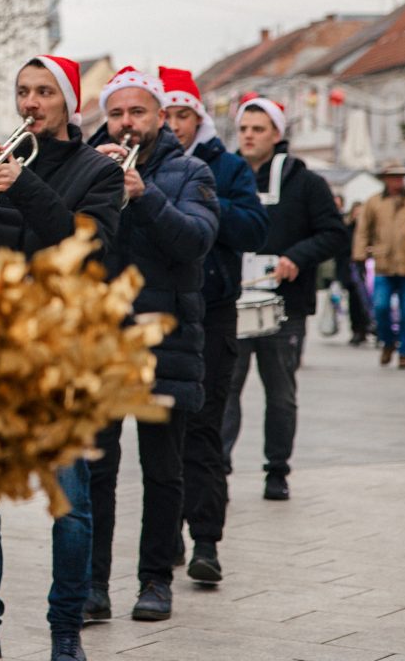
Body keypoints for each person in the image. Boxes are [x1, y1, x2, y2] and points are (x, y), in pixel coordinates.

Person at [0, 54, 122, 661]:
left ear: (69, 102)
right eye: (23, 91)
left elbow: (85, 249)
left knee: (69, 503)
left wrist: (23, 184)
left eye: (44, 92)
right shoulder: (5, 167)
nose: (31, 103)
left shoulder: (100, 171)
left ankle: (65, 631)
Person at [85, 67, 218, 625]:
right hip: (105, 346)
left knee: (163, 471)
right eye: (116, 113)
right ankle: (93, 585)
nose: (126, 123)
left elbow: (196, 241)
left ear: (161, 118)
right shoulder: (89, 166)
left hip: (167, 343)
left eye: (137, 112)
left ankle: (155, 580)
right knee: (98, 472)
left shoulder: (191, 171)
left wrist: (144, 196)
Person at [158, 67, 268, 587]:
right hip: (162, 311)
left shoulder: (225, 167)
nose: (176, 124)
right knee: (164, 435)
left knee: (205, 428)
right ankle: (166, 534)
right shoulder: (144, 162)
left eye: (185, 116)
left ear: (198, 118)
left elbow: (253, 227)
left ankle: (206, 540)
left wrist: (201, 200)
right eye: (169, 115)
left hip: (215, 309)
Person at [221, 94, 346, 502]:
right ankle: (216, 467)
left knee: (281, 394)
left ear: (277, 134)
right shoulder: (224, 175)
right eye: (243, 129)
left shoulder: (306, 182)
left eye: (258, 129)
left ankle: (277, 471)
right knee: (225, 391)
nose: (249, 136)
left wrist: (297, 257)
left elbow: (333, 234)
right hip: (233, 301)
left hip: (285, 305)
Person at [353, 161, 405, 368]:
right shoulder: (374, 202)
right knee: (380, 307)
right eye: (393, 176)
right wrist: (359, 254)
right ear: (385, 179)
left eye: (400, 176)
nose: (397, 180)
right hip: (384, 264)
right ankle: (387, 342)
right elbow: (363, 230)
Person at [335, 196, 374, 345]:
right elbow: (341, 251)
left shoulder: (369, 232)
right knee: (355, 302)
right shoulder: (347, 230)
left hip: (367, 270)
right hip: (351, 271)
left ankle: (369, 326)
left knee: (368, 300)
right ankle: (357, 330)